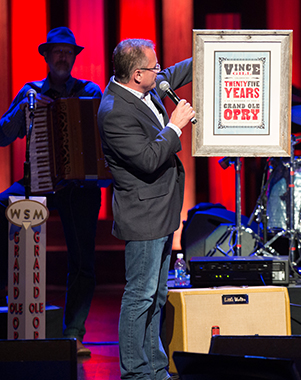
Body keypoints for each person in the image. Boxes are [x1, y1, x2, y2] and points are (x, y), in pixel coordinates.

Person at [0, 27, 102, 356]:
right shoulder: (30, 91)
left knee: (83, 258)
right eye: (56, 51)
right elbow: (4, 136)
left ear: (74, 57)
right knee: (2, 204)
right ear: (46, 55)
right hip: (39, 181)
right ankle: (9, 305)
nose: (62, 57)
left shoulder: (90, 92)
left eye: (68, 52)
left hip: (77, 184)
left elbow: (102, 137)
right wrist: (22, 109)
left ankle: (74, 331)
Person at [97, 38, 194, 380]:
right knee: (140, 296)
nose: (160, 71)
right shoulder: (114, 112)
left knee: (157, 294)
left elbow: (173, 71)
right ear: (137, 74)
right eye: (154, 68)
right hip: (143, 216)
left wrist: (212, 56)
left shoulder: (140, 88)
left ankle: (154, 366)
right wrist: (175, 124)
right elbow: (149, 159)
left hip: (162, 210)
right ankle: (136, 373)